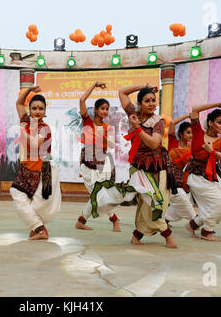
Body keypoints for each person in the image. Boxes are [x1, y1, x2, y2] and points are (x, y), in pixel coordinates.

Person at [88, 84, 178, 248]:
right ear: (139, 104)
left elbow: (154, 144)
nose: (151, 104)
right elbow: (122, 92)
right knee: (152, 200)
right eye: (147, 101)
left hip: (159, 166)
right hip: (140, 167)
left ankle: (136, 236)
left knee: (154, 204)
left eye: (153, 100)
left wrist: (137, 127)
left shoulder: (157, 121)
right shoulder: (134, 114)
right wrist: (145, 86)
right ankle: (168, 236)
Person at [10, 86, 61, 240]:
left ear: (45, 111)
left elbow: (35, 144)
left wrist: (23, 131)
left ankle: (38, 229)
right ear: (30, 110)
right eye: (34, 108)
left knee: (37, 205)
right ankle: (38, 228)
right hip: (27, 169)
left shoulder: (44, 128)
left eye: (41, 108)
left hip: (42, 170)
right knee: (18, 195)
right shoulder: (26, 121)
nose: (37, 111)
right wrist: (29, 90)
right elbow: (19, 104)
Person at [184, 103, 221, 241]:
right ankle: (207, 232)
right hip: (196, 176)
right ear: (210, 123)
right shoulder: (198, 133)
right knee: (216, 203)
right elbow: (195, 110)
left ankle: (193, 224)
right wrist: (218, 104)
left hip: (212, 176)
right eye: (219, 122)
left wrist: (213, 152)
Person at [74, 81, 121, 232]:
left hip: (102, 165)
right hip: (87, 165)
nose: (105, 111)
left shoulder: (108, 128)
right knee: (98, 195)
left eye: (107, 109)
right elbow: (82, 100)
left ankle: (81, 221)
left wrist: (103, 137)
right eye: (102, 108)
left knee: (99, 195)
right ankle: (114, 219)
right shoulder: (87, 122)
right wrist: (94, 85)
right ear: (95, 110)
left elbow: (112, 146)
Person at [164, 114, 197, 236]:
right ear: (181, 134)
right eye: (188, 132)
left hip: (182, 181)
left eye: (192, 133)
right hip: (170, 179)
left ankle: (164, 220)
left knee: (178, 206)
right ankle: (195, 223)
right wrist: (189, 115)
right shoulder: (173, 142)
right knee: (184, 202)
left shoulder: (191, 149)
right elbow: (172, 123)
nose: (191, 135)